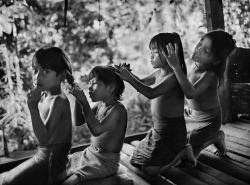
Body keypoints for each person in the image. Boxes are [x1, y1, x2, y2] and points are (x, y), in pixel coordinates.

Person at [115, 32, 196, 176]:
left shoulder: (173, 77)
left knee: (150, 170)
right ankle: (172, 152)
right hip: (158, 130)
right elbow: (142, 82)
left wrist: (129, 79)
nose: (151, 56)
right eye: (150, 52)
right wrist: (128, 74)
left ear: (170, 55)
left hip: (172, 132)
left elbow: (151, 93)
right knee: (136, 159)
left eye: (156, 52)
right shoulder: (159, 73)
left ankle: (183, 152)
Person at [0, 46, 75, 185]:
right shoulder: (45, 95)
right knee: (3, 176)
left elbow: (44, 141)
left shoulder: (59, 101)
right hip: (42, 157)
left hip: (51, 165)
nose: (37, 76)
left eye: (45, 71)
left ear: (62, 76)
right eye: (36, 70)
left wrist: (33, 109)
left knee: (5, 182)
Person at [163, 30, 236, 165]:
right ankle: (206, 138)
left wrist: (177, 67)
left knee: (186, 159)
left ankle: (215, 137)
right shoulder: (189, 62)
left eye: (206, 51)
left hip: (210, 119)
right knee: (170, 137)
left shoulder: (210, 74)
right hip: (191, 115)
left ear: (216, 61)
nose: (198, 49)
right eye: (201, 42)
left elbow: (191, 92)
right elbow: (176, 80)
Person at [62, 65, 128, 185]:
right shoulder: (100, 105)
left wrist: (84, 102)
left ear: (110, 88)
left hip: (106, 163)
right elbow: (78, 121)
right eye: (89, 83)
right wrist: (78, 100)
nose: (89, 87)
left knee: (71, 181)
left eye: (94, 83)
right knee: (60, 166)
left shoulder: (118, 110)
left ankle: (116, 181)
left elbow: (97, 130)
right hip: (90, 154)